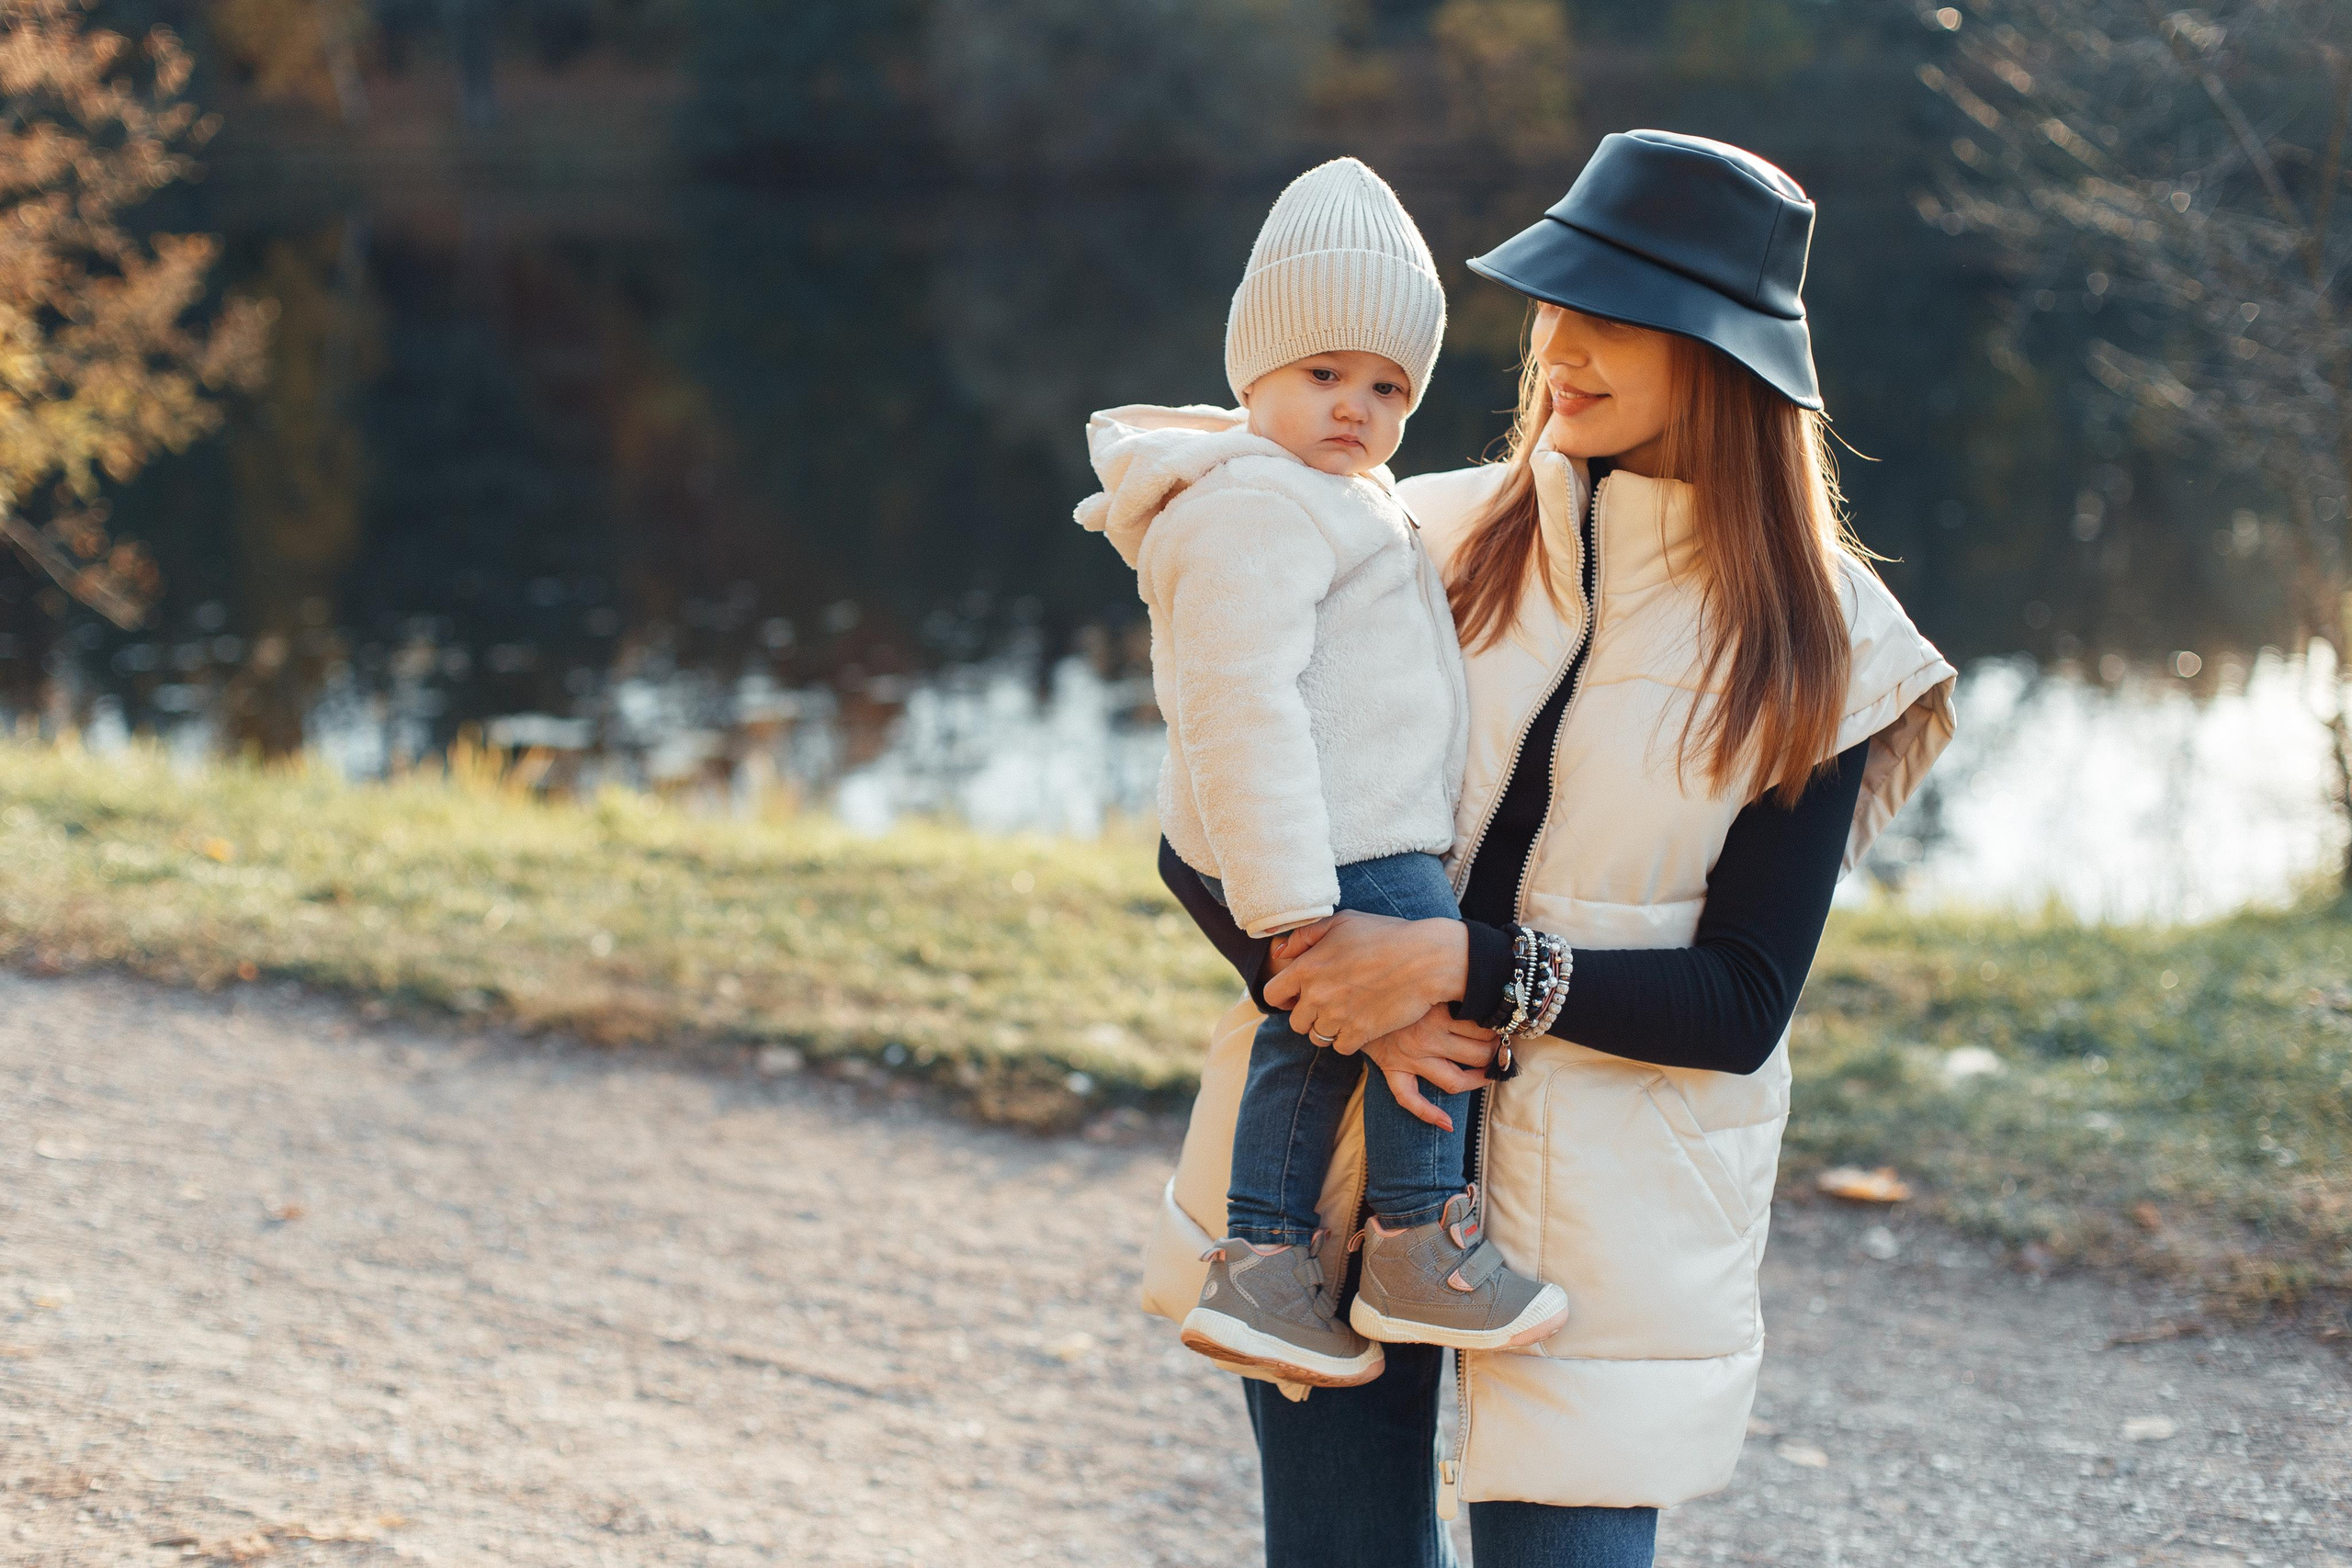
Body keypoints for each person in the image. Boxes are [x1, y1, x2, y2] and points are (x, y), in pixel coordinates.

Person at [1140, 130, 1959, 1567]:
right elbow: (1199, 829)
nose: (1560, 347)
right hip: (1329, 1164)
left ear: (1722, 355)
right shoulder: (1405, 533)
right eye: (1553, 303)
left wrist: (1452, 966)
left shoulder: (1822, 650)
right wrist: (1361, 1001)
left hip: (1612, 1224)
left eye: (1614, 317)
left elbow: (1741, 1003)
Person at [1077, 157, 1566, 1391]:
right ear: (1255, 375)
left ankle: (1265, 1266)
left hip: (1362, 831)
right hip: (1339, 847)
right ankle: (1416, 1238)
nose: (1356, 406)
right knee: (1430, 1018)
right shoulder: (1251, 509)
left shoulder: (1334, 496)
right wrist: (1296, 908)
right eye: (1324, 375)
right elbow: (1235, 710)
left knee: (1308, 1046)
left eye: (1389, 386)